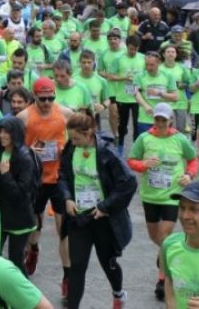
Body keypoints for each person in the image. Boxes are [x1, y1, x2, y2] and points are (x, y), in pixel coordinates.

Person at [57, 110, 137, 309]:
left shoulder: (107, 152)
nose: (72, 142)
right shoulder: (70, 148)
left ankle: (118, 293)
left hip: (102, 219)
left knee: (108, 263)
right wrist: (67, 197)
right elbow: (63, 175)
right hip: (79, 218)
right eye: (71, 138)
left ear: (89, 133)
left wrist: (105, 207)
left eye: (76, 138)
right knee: (77, 267)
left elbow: (129, 183)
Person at [126, 102, 199, 300]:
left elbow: (193, 160)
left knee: (165, 235)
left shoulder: (180, 139)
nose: (160, 123)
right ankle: (170, 255)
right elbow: (131, 160)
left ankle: (162, 279)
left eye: (163, 120)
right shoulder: (144, 138)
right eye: (157, 119)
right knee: (155, 236)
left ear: (171, 121)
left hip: (172, 195)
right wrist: (143, 165)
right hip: (150, 195)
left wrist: (189, 175)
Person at [16, 77, 73, 286]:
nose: (47, 103)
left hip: (59, 178)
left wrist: (66, 150)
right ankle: (33, 249)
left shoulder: (65, 114)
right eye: (43, 99)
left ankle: (68, 276)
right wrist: (28, 151)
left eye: (51, 98)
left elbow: (80, 136)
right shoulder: (24, 117)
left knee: (63, 227)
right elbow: (14, 147)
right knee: (35, 225)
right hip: (35, 178)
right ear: (35, 97)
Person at [0, 115, 39, 273]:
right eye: (0, 131)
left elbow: (21, 194)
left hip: (19, 220)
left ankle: (25, 295)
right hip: (0, 216)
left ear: (15, 133)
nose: (2, 135)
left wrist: (6, 174)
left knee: (16, 261)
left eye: (6, 131)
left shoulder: (25, 157)